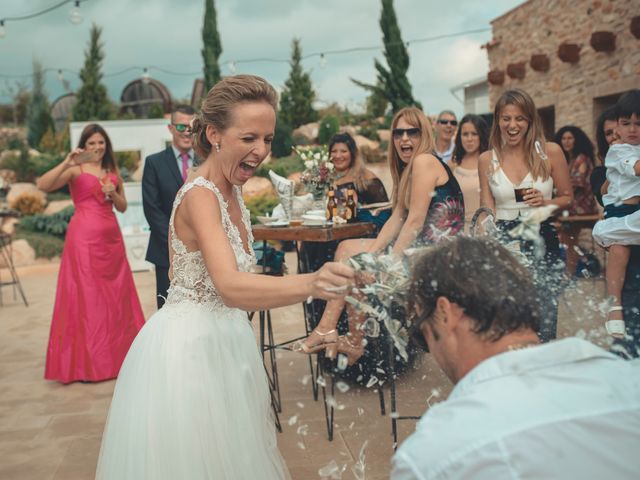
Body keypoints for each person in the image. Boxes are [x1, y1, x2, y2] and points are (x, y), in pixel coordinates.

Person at [95, 75, 354, 480]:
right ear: (214, 133)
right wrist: (312, 282)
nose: (261, 151)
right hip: (189, 353)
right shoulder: (200, 195)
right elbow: (230, 286)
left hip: (227, 344)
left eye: (267, 139)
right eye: (249, 137)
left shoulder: (232, 190)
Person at [391, 236, 640, 480]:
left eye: (422, 336)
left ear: (446, 314)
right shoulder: (630, 381)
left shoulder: (436, 455)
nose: (432, 351)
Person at [295, 106, 464, 364]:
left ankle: (337, 333)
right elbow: (397, 217)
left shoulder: (424, 161)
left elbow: (415, 221)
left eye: (412, 132)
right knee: (346, 250)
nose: (404, 139)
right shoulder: (408, 168)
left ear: (424, 134)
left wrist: (386, 262)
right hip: (420, 250)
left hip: (435, 259)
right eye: (398, 133)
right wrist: (371, 254)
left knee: (353, 263)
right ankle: (349, 336)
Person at [37, 124, 145, 384]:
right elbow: (43, 185)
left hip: (111, 239)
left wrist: (112, 193)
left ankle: (118, 360)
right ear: (84, 145)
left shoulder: (111, 171)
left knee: (114, 298)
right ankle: (89, 364)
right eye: (92, 143)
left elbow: (121, 207)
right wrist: (65, 163)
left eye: (101, 143)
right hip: (83, 239)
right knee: (88, 296)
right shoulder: (75, 168)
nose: (97, 147)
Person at [478, 88, 573, 342]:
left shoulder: (550, 151)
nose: (512, 125)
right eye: (506, 118)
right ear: (498, 120)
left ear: (530, 120)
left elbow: (567, 200)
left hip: (543, 237)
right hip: (504, 241)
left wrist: (546, 202)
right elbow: (486, 209)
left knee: (543, 321)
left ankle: (542, 373)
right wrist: (483, 232)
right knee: (507, 323)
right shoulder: (487, 159)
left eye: (519, 118)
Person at [591, 105, 640, 358]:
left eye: (637, 125)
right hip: (621, 221)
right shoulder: (608, 164)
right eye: (610, 132)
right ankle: (614, 306)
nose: (619, 135)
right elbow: (606, 192)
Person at [142, 104, 197, 309]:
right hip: (165, 252)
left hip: (204, 251)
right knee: (170, 311)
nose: (187, 132)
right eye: (182, 127)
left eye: (192, 127)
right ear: (170, 128)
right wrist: (179, 242)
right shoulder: (153, 163)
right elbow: (152, 210)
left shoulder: (207, 161)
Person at [554, 125, 599, 275]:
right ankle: (571, 268)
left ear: (576, 140)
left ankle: (570, 272)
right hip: (571, 206)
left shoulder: (582, 158)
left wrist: (558, 196)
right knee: (560, 230)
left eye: (570, 138)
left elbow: (576, 185)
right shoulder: (570, 159)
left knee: (565, 231)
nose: (566, 142)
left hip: (582, 207)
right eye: (563, 138)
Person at [449, 114, 489, 231]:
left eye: (474, 134)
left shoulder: (492, 162)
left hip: (488, 231)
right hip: (459, 232)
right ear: (459, 137)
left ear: (481, 135)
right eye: (465, 134)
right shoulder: (452, 165)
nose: (469, 139)